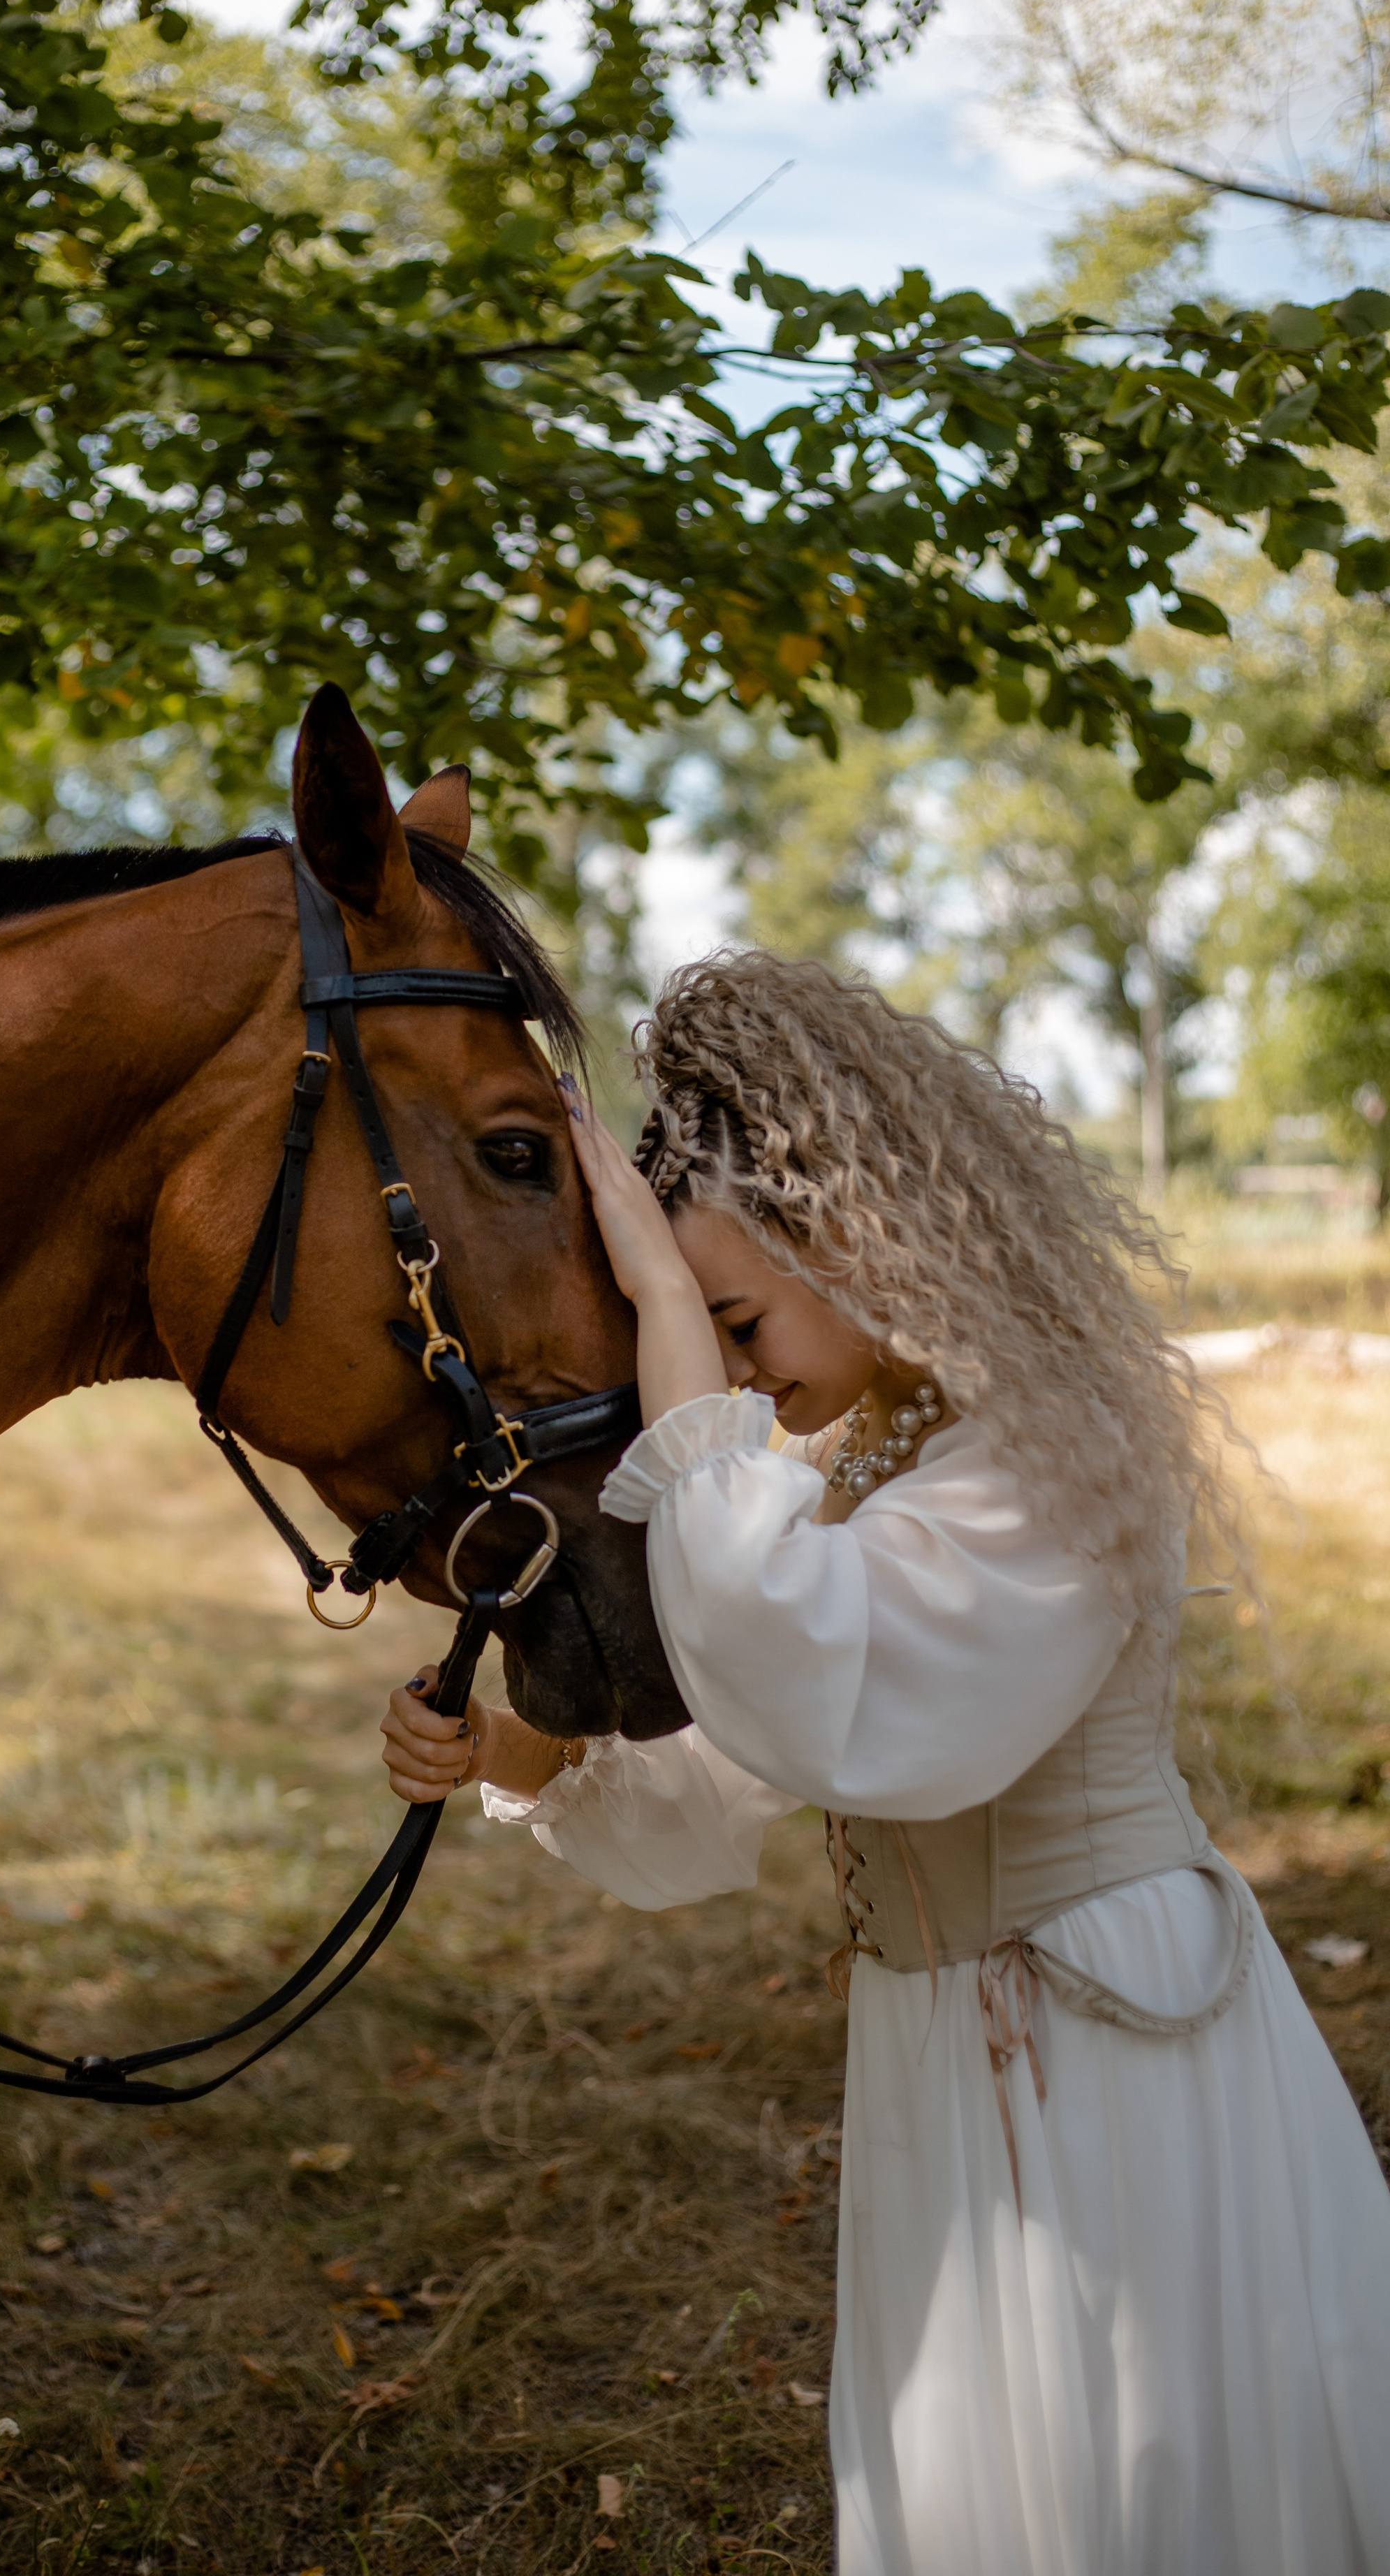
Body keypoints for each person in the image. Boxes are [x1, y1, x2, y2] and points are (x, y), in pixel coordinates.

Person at [379, 951, 1390, 2576]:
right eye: (710, 1331)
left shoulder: (1053, 1441)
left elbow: (832, 1686)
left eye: (735, 1320)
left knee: (1136, 2444)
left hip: (1107, 2044)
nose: (738, 1370)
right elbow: (739, 1771)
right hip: (946, 2051)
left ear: (847, 1232)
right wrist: (509, 1751)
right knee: (984, 2461)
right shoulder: (874, 1467)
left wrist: (668, 1355)